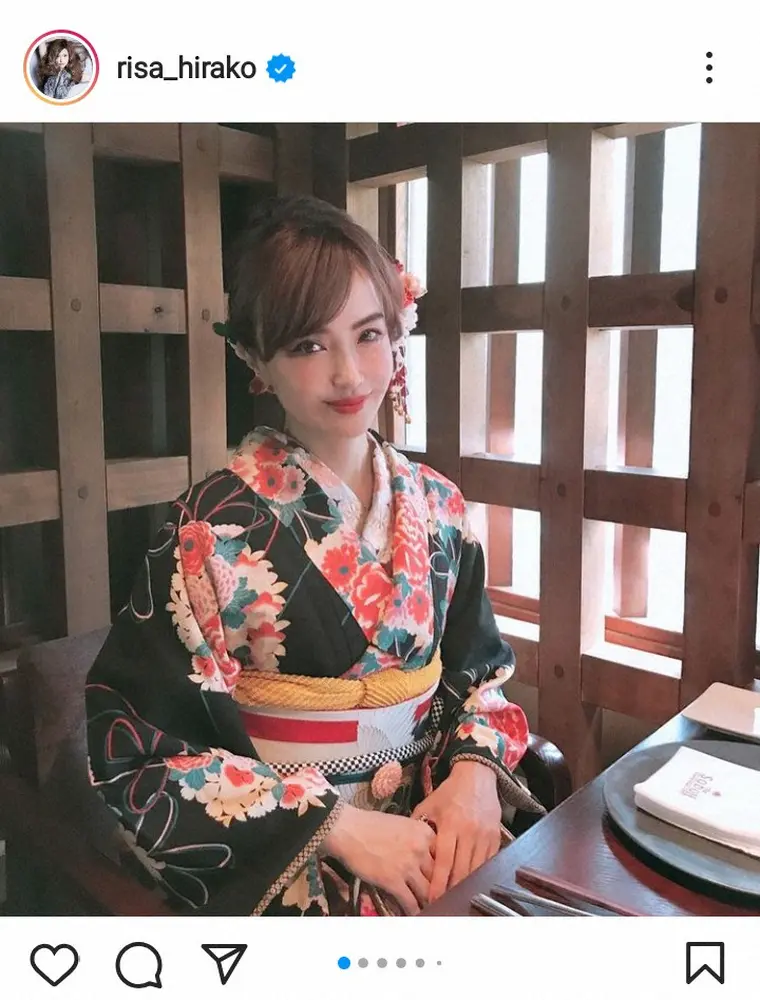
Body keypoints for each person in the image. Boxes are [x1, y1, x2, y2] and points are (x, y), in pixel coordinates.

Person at [85, 194, 543, 917]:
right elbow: (140, 752)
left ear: (397, 333)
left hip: (438, 829)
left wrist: (476, 776)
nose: (350, 374)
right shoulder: (207, 531)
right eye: (307, 345)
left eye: (368, 335)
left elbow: (479, 676)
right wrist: (332, 824)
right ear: (253, 357)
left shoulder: (440, 506)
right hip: (297, 861)